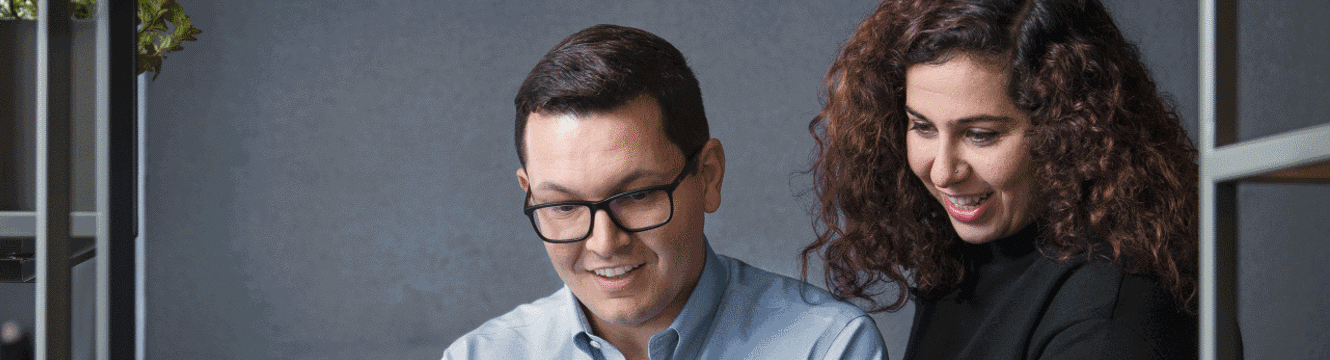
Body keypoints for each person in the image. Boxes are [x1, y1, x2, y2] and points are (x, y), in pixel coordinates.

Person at [445, 24, 886, 360]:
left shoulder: (827, 347)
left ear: (708, 177)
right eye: (563, 205)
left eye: (636, 196)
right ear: (529, 195)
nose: (604, 243)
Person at [806, 0, 1201, 358]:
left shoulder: (1109, 316)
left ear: (1066, 130)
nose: (943, 171)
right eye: (922, 127)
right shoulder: (973, 258)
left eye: (981, 135)